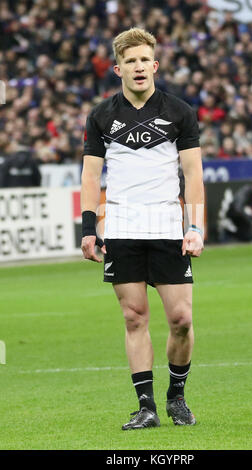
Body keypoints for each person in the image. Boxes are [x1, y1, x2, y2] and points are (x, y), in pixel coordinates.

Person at [80, 28, 204, 430]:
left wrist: (196, 225)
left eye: (143, 60)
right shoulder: (101, 116)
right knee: (134, 317)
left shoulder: (180, 111)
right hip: (123, 226)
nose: (137, 67)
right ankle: (146, 406)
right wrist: (88, 228)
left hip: (168, 226)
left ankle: (177, 397)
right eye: (129, 61)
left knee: (181, 319)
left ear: (154, 65)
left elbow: (193, 173)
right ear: (118, 69)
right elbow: (90, 175)